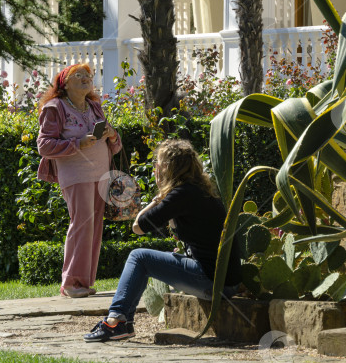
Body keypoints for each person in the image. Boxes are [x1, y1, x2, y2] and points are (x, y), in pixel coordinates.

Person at [83, 139, 242, 342]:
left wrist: (158, 195)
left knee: (139, 257)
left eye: (157, 164)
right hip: (227, 283)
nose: (155, 169)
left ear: (166, 168)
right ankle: (123, 322)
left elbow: (138, 226)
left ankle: (117, 321)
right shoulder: (200, 191)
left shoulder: (181, 194)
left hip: (212, 282)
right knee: (150, 257)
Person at [37, 63, 122, 298]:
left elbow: (115, 145)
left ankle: (83, 282)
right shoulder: (55, 108)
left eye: (89, 76)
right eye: (79, 76)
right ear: (64, 82)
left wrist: (112, 134)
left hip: (100, 174)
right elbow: (44, 145)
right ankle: (70, 282)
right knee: (82, 223)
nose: (86, 79)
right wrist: (77, 144)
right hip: (75, 175)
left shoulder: (95, 107)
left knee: (94, 227)